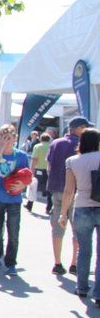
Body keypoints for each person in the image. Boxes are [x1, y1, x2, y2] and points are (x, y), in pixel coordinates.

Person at [59, 127, 100, 304]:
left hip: (82, 206)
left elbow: (69, 190)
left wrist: (63, 213)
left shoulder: (72, 161)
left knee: (84, 250)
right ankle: (98, 293)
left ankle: (82, 287)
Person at [47, 117, 91, 276]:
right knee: (77, 229)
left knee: (57, 228)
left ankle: (57, 263)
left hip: (57, 189)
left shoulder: (55, 143)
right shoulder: (82, 144)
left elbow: (49, 166)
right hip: (77, 191)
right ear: (78, 128)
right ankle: (74, 263)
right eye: (85, 127)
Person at [0, 124, 31, 275]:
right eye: (3, 137)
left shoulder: (21, 156)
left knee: (14, 232)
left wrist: (22, 186)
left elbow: (28, 176)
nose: (7, 140)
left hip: (14, 198)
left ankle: (11, 263)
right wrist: (0, 150)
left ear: (15, 139)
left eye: (9, 138)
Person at [27, 132, 51, 213]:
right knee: (48, 189)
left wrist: (31, 170)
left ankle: (29, 205)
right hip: (48, 170)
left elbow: (34, 159)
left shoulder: (37, 146)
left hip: (38, 169)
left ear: (41, 139)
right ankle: (48, 207)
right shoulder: (51, 147)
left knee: (34, 188)